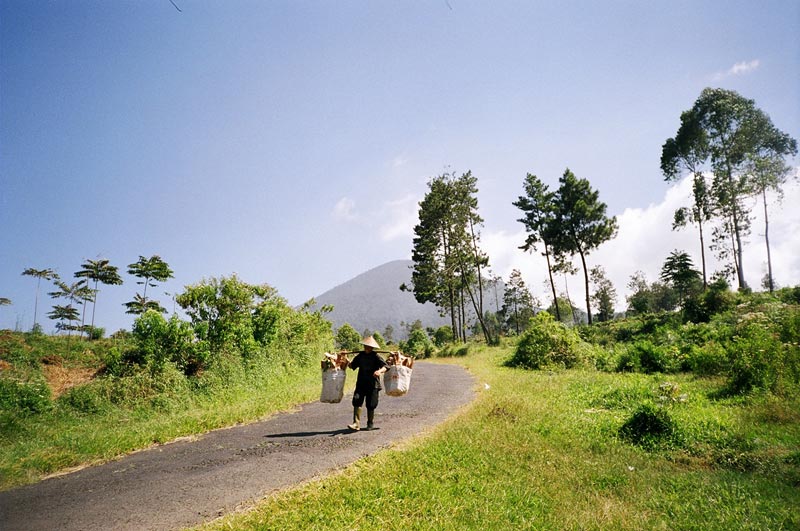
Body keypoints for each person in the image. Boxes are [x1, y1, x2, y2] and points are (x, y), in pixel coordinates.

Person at [346, 336, 389, 431]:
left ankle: (370, 423)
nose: (367, 348)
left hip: (373, 384)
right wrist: (345, 360)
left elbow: (386, 366)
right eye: (366, 346)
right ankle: (356, 424)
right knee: (357, 401)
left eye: (369, 346)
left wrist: (379, 371)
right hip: (361, 383)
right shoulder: (360, 356)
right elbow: (352, 366)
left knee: (371, 404)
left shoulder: (376, 356)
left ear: (372, 347)